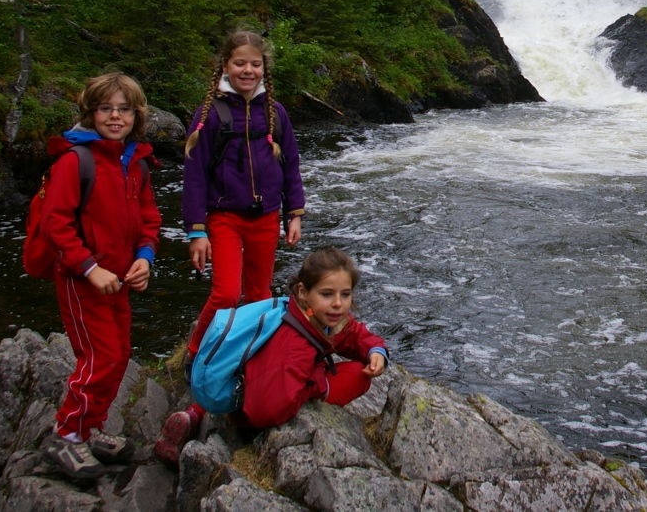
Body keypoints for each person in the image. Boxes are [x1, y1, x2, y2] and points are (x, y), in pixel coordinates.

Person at [155, 247, 387, 463]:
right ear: (304, 292)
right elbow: (264, 412)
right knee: (358, 375)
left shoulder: (303, 314)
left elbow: (352, 334)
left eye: (345, 294)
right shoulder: (297, 346)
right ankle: (208, 415)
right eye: (327, 294)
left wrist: (376, 351)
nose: (338, 304)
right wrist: (313, 383)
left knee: (353, 365)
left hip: (245, 379)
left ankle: (195, 413)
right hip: (251, 408)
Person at [41, 73, 162, 481]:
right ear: (91, 113)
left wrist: (144, 256)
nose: (115, 116)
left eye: (124, 109)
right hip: (82, 280)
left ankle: (89, 428)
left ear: (136, 115)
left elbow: (148, 217)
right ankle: (67, 434)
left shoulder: (136, 163)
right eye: (106, 108)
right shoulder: (76, 160)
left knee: (120, 354)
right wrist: (89, 269)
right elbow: (54, 225)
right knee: (100, 356)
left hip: (119, 279)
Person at [180, 29, 306, 380]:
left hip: (265, 217)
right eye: (240, 63)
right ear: (225, 66)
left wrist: (293, 214)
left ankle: (249, 356)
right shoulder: (211, 115)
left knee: (260, 295)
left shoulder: (275, 113)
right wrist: (196, 230)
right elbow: (194, 176)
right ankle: (194, 354)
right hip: (223, 218)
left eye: (255, 64)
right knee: (225, 294)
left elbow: (291, 165)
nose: (248, 70)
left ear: (264, 67)